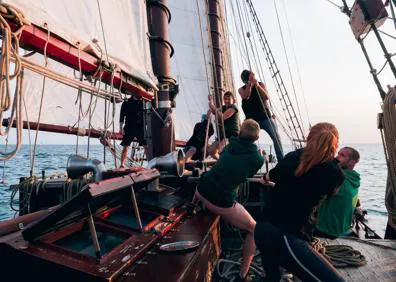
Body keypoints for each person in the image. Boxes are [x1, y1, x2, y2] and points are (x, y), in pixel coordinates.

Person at [254, 122, 345, 282]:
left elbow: (269, 177)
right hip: (286, 237)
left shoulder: (292, 157)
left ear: (308, 138)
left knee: (272, 278)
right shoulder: (334, 173)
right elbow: (325, 193)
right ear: (335, 144)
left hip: (263, 229)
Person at [193, 119, 264, 281]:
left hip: (201, 190)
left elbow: (223, 160)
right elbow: (248, 174)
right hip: (220, 201)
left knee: (205, 182)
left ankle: (192, 205)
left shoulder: (230, 145)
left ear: (240, 133)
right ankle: (242, 275)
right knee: (254, 229)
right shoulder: (257, 159)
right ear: (256, 139)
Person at [315, 147, 361, 238]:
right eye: (338, 153)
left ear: (352, 162)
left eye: (342, 155)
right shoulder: (354, 179)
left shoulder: (336, 178)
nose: (337, 157)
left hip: (325, 231)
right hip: (344, 229)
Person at [238, 70, 284, 161]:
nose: (255, 79)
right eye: (252, 77)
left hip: (265, 117)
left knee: (276, 138)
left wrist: (257, 86)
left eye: (254, 77)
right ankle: (248, 161)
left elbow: (266, 97)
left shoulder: (260, 85)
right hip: (252, 121)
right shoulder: (241, 89)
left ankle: (281, 160)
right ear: (246, 79)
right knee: (245, 140)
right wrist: (249, 85)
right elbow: (245, 96)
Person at [207, 91, 240, 159]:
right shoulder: (223, 107)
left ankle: (224, 163)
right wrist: (210, 102)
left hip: (232, 135)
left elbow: (223, 117)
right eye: (225, 99)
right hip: (223, 134)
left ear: (233, 100)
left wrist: (213, 107)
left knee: (222, 149)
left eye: (228, 99)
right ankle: (220, 161)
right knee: (211, 151)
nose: (226, 101)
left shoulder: (233, 108)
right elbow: (214, 112)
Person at [119, 95, 146, 168]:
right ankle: (122, 165)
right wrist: (121, 128)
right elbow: (121, 116)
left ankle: (150, 163)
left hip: (140, 127)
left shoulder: (144, 103)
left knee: (146, 146)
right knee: (126, 146)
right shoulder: (126, 103)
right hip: (129, 127)